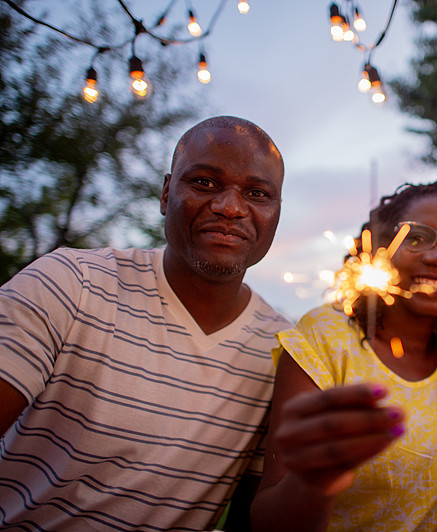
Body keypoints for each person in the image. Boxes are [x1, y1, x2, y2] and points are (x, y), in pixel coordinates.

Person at [0, 115, 291, 531]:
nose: (230, 207)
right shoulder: (70, 283)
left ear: (276, 213)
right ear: (166, 193)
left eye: (257, 193)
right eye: (205, 182)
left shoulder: (281, 349)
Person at [250, 176, 437, 531]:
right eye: (416, 238)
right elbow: (267, 519)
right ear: (379, 249)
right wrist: (317, 477)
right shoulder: (326, 334)